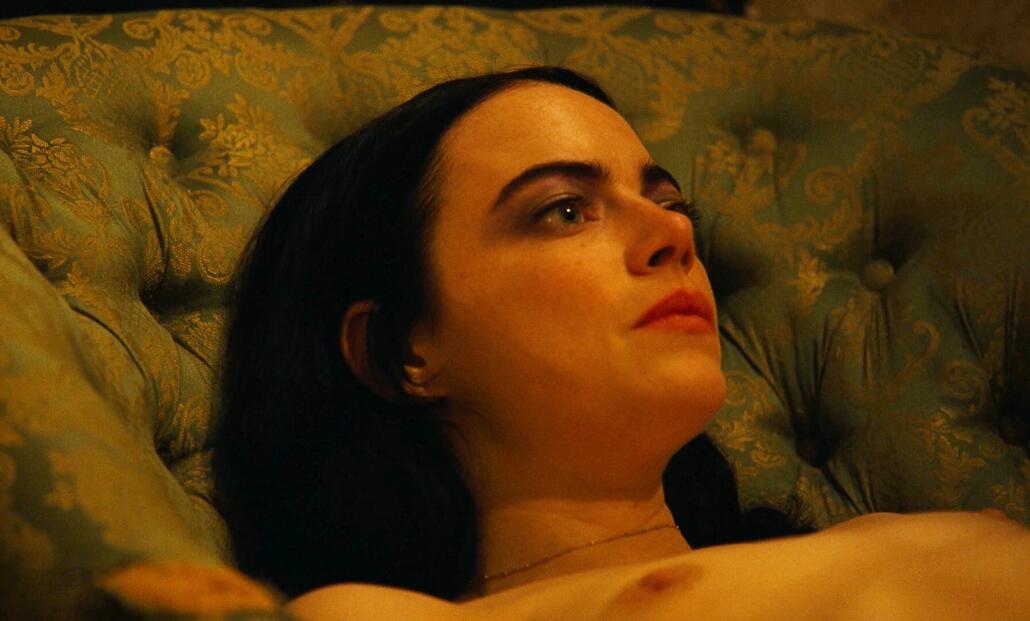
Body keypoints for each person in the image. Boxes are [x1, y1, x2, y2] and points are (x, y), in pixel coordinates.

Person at [211, 66, 1030, 621]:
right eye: (564, 210)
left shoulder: (904, 532)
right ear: (402, 349)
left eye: (668, 201)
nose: (674, 233)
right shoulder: (366, 613)